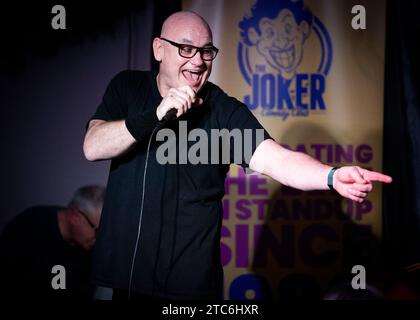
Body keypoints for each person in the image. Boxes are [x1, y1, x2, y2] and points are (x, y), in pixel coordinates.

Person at [83, 11, 392, 301]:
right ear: (159, 49)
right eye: (186, 49)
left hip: (189, 289)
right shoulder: (127, 87)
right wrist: (155, 114)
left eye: (206, 51)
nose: (199, 61)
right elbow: (93, 146)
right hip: (117, 282)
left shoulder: (224, 111)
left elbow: (278, 161)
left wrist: (331, 175)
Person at [0, 185, 105, 300]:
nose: (99, 239)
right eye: (97, 230)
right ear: (75, 217)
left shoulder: (87, 246)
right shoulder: (26, 229)